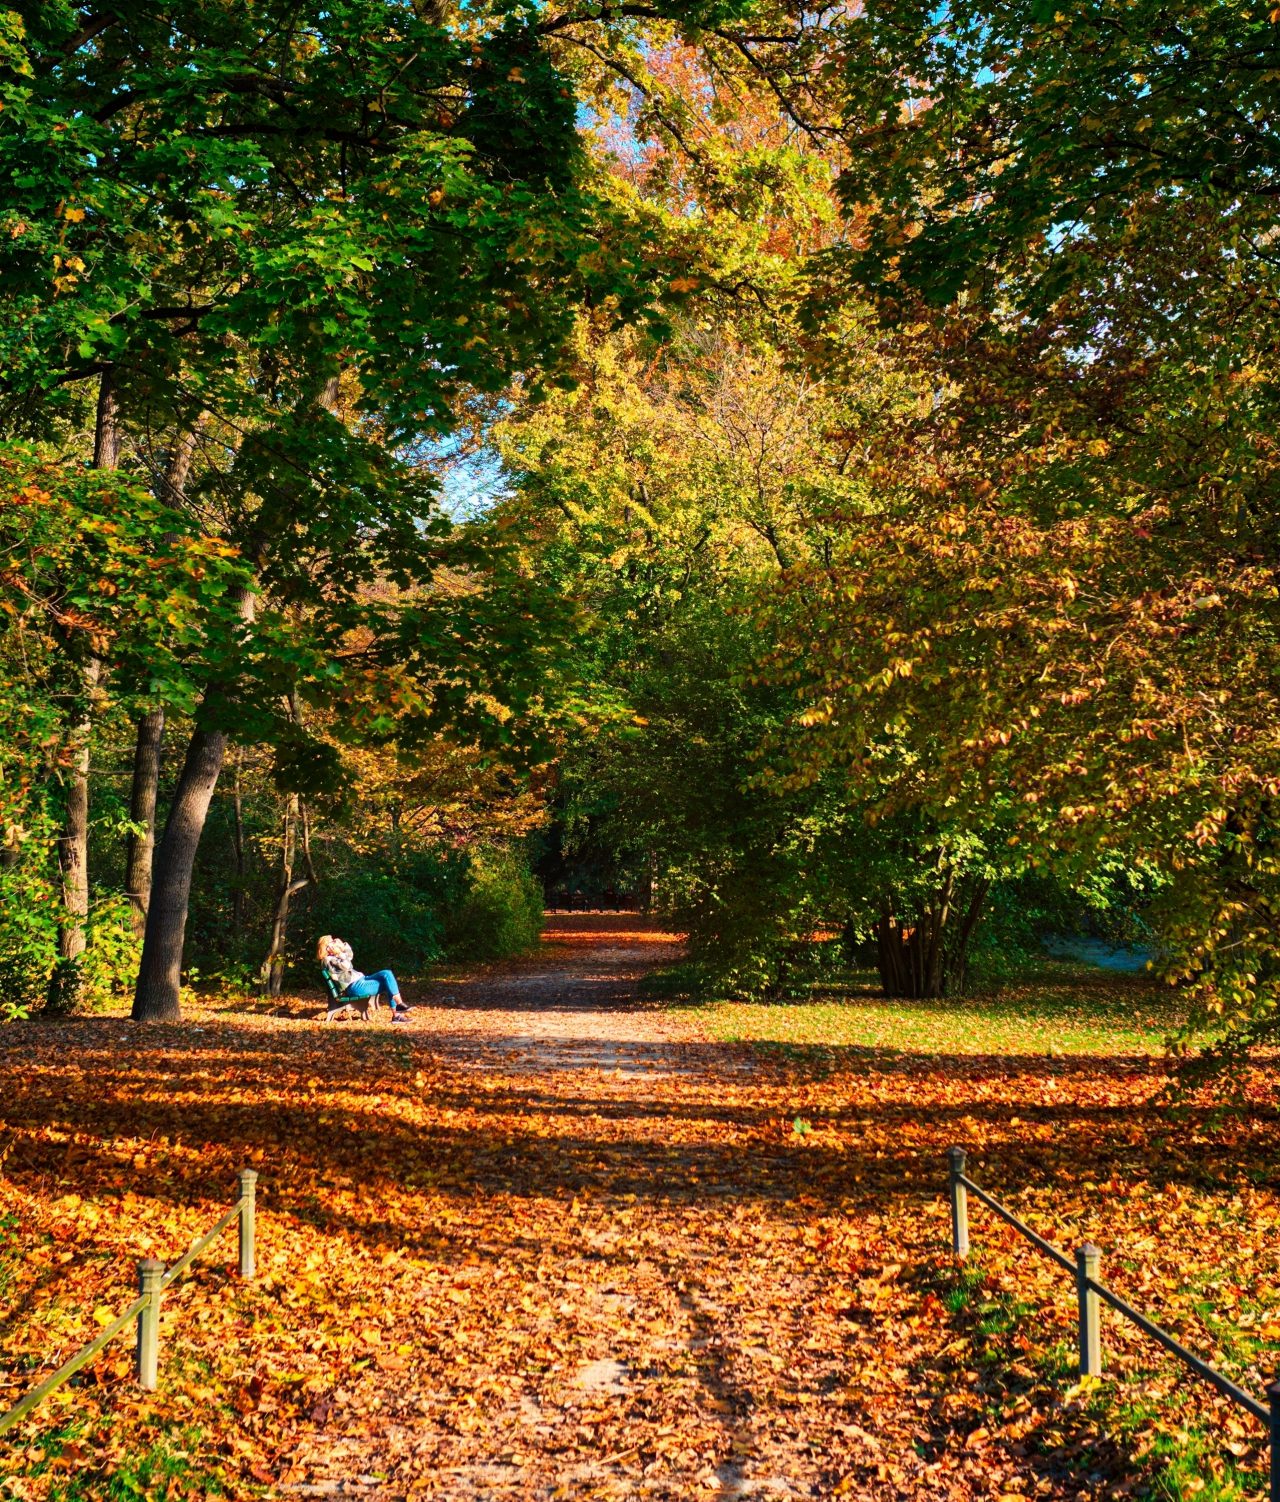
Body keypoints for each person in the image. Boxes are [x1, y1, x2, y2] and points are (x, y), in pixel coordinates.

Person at [317, 936, 411, 1022]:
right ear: (327, 947)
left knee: (387, 973)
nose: (334, 942)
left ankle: (399, 1006)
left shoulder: (333, 957)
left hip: (361, 980)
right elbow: (347, 965)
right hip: (354, 986)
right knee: (389, 982)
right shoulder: (328, 960)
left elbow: (350, 955)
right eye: (332, 942)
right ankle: (397, 1012)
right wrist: (340, 953)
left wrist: (342, 945)